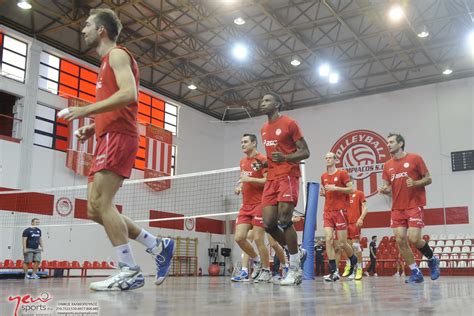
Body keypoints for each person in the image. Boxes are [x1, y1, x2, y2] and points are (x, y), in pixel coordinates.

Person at [65, 8, 174, 291]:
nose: (83, 29)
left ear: (101, 30)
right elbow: (118, 102)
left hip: (119, 137)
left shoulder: (117, 55)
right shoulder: (104, 63)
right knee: (94, 210)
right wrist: (93, 125)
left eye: (87, 25)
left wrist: (87, 110)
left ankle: (130, 269)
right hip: (107, 136)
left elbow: (129, 94)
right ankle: (157, 244)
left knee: (102, 203)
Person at [258, 92, 310, 286]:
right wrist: (263, 165)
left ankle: (295, 268)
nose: (262, 103)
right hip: (271, 178)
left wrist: (287, 158)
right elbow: (273, 156)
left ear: (277, 104)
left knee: (285, 219)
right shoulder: (263, 128)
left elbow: (306, 151)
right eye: (262, 100)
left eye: (267, 100)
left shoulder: (289, 123)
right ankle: (296, 251)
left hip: (288, 175)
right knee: (269, 224)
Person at [379, 133, 440, 283]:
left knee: (414, 238)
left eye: (391, 142)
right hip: (397, 208)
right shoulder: (387, 165)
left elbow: (429, 178)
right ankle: (415, 272)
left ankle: (432, 259)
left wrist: (416, 183)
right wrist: (385, 189)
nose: (388, 144)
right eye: (387, 142)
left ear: (400, 144)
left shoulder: (415, 158)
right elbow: (387, 185)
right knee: (400, 240)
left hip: (414, 204)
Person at [231, 134, 271, 283]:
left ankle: (266, 270)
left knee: (259, 239)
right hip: (246, 206)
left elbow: (268, 180)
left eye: (245, 142)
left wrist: (250, 179)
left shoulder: (262, 159)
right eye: (241, 142)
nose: (242, 144)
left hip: (260, 204)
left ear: (254, 143)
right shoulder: (242, 161)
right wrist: (240, 186)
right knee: (239, 238)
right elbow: (244, 179)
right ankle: (256, 260)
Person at [320, 152, 358, 282]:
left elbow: (351, 190)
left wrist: (335, 188)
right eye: (326, 158)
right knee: (328, 239)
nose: (328, 159)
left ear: (335, 160)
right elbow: (328, 191)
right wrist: (324, 193)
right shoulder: (323, 176)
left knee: (342, 243)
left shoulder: (342, 173)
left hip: (340, 211)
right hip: (327, 211)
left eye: (330, 157)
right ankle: (334, 271)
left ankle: (354, 260)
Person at [341, 184, 368, 280]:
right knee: (344, 245)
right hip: (344, 223)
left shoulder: (359, 193)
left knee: (355, 246)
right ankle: (350, 267)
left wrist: (361, 218)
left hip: (354, 223)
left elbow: (365, 208)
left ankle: (359, 268)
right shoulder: (343, 195)